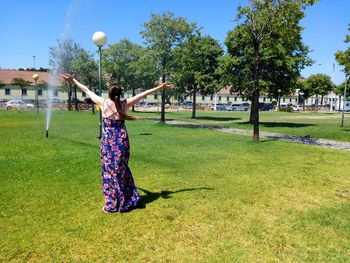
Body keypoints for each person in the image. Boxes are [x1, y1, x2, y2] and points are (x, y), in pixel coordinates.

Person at [61, 73, 173, 213]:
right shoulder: (124, 104)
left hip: (108, 144)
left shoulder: (102, 103)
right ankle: (127, 199)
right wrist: (160, 87)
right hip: (122, 143)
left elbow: (86, 90)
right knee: (121, 170)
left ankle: (113, 204)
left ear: (109, 93)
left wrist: (73, 80)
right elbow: (144, 93)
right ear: (120, 94)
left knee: (109, 172)